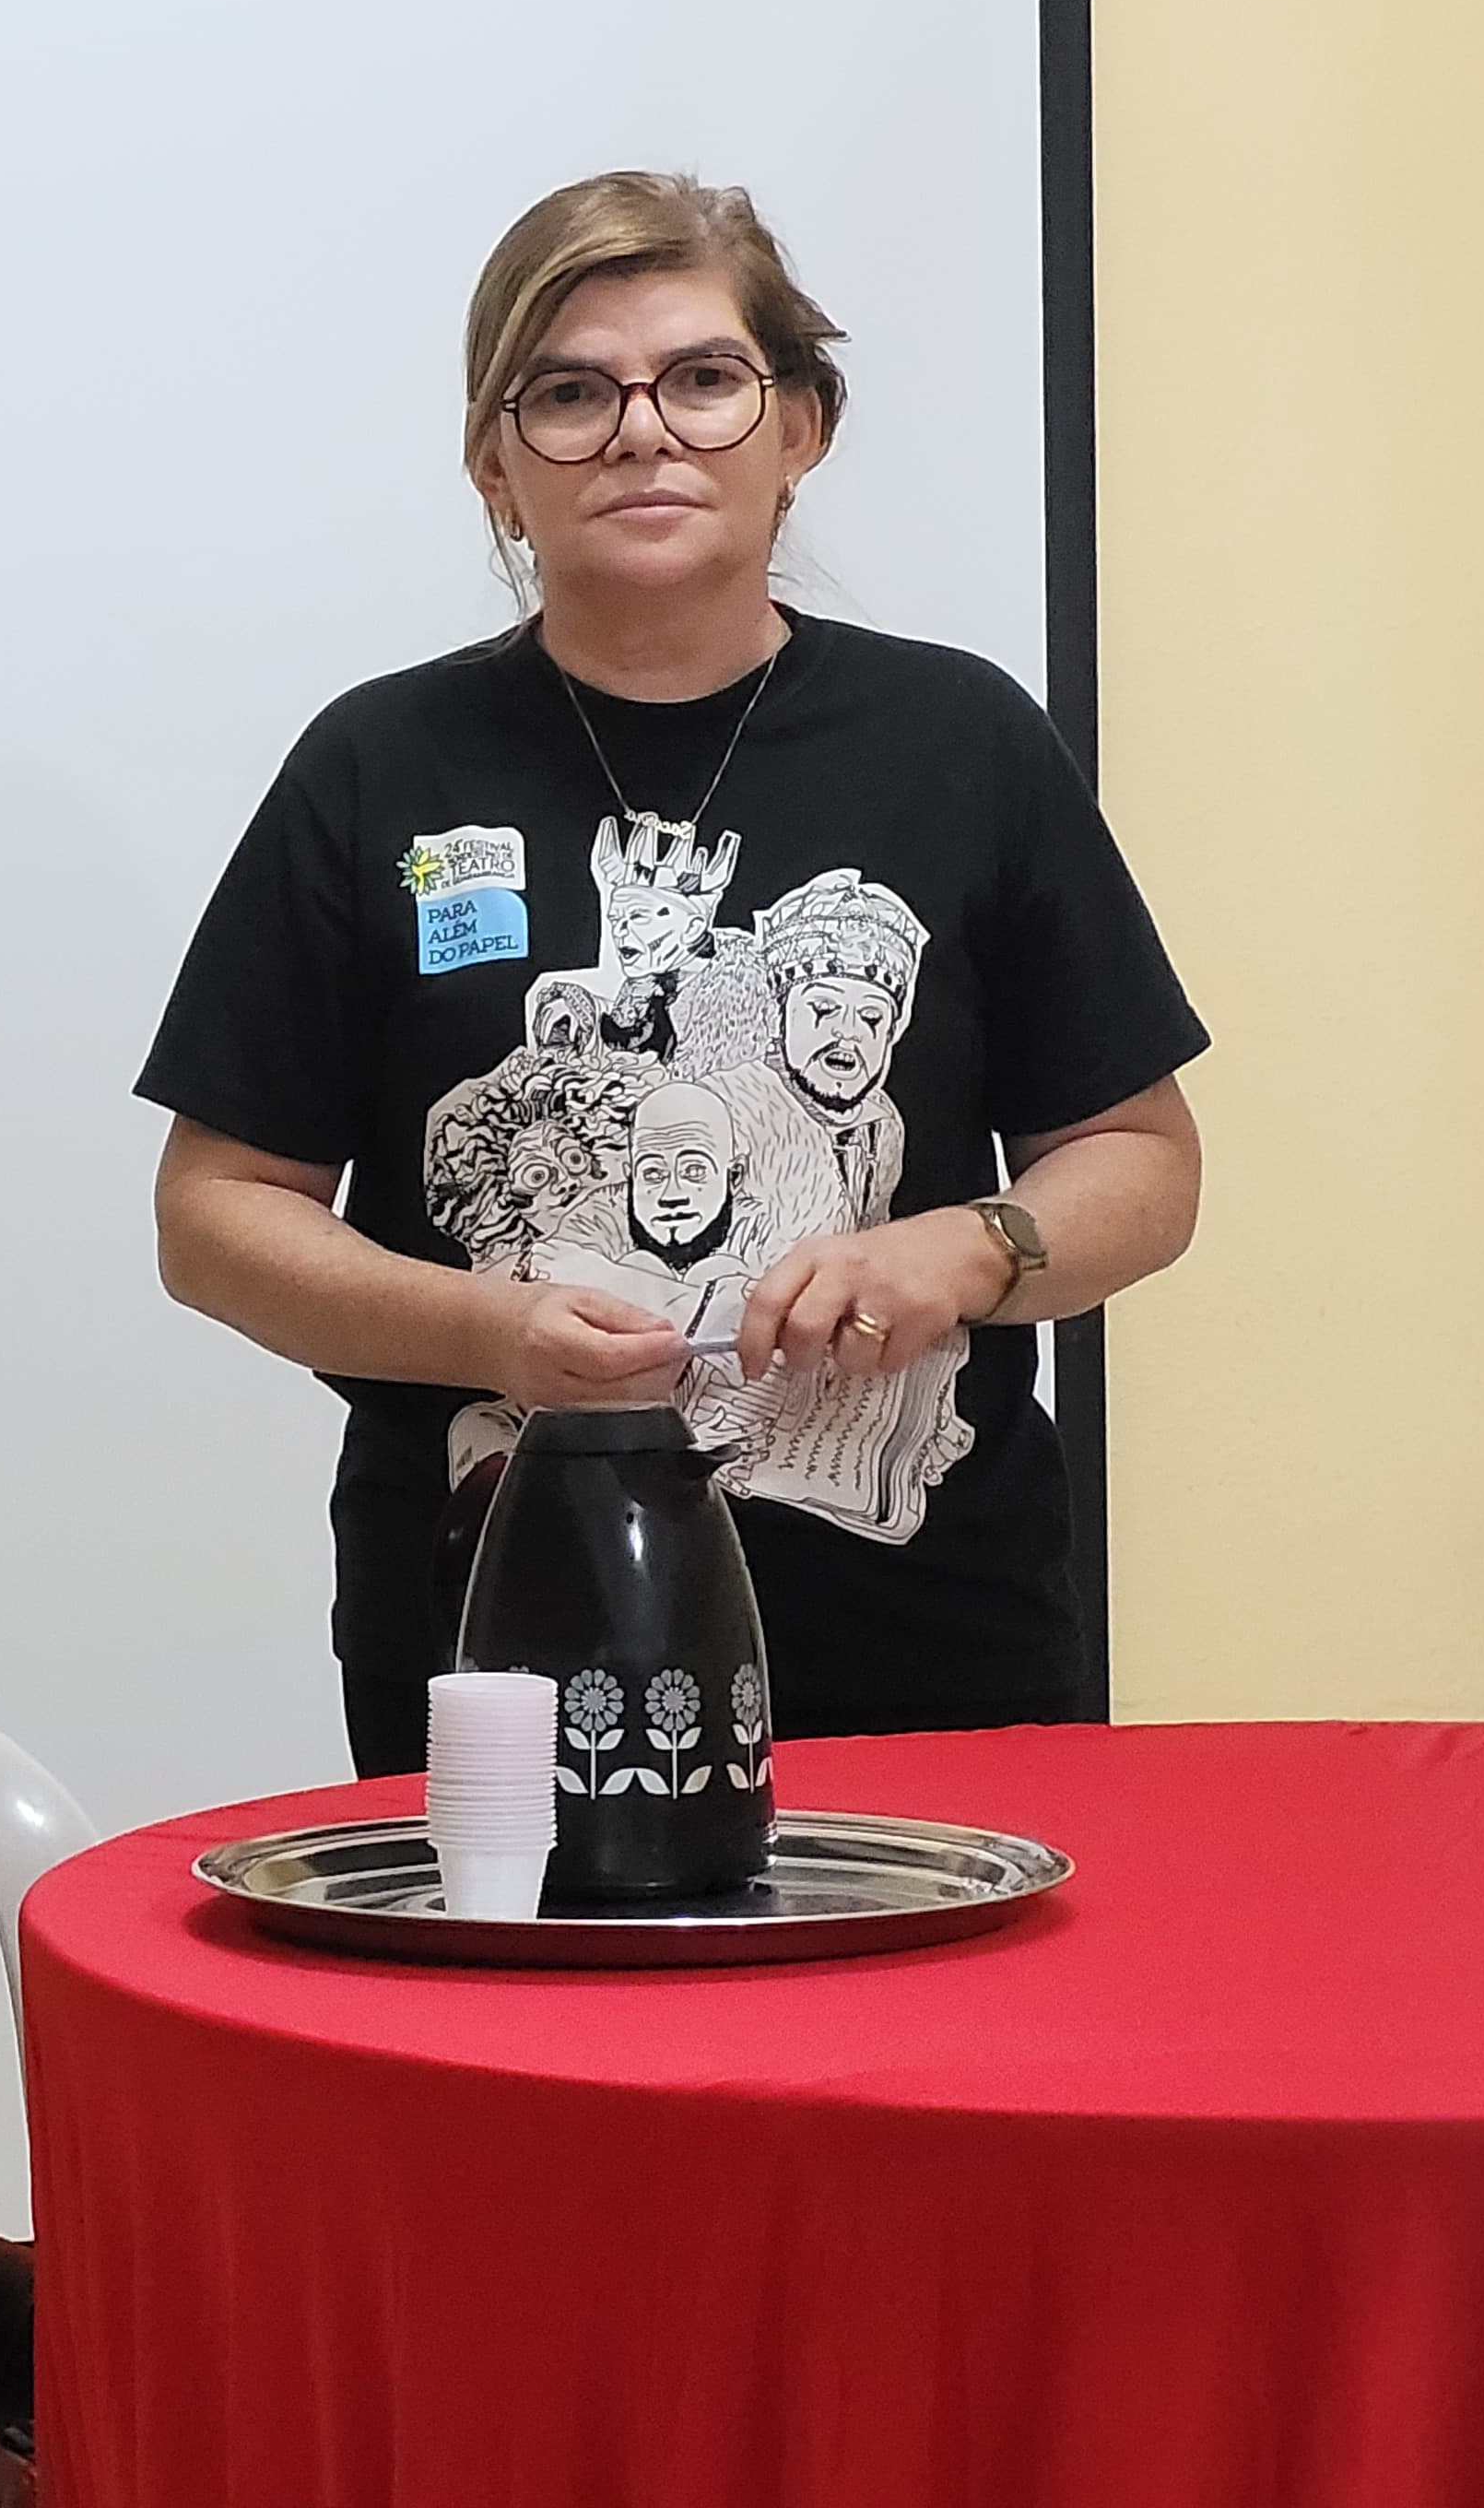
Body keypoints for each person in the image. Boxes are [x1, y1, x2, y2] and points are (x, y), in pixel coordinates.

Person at [138, 171, 1204, 1779]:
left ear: (801, 428)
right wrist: (492, 1331)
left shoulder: (965, 745)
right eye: (571, 395)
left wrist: (971, 1249)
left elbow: (1143, 1162)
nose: (643, 432)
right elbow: (215, 1219)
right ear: (495, 466)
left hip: (932, 1638)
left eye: (704, 379)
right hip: (503, 1641)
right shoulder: (378, 768)